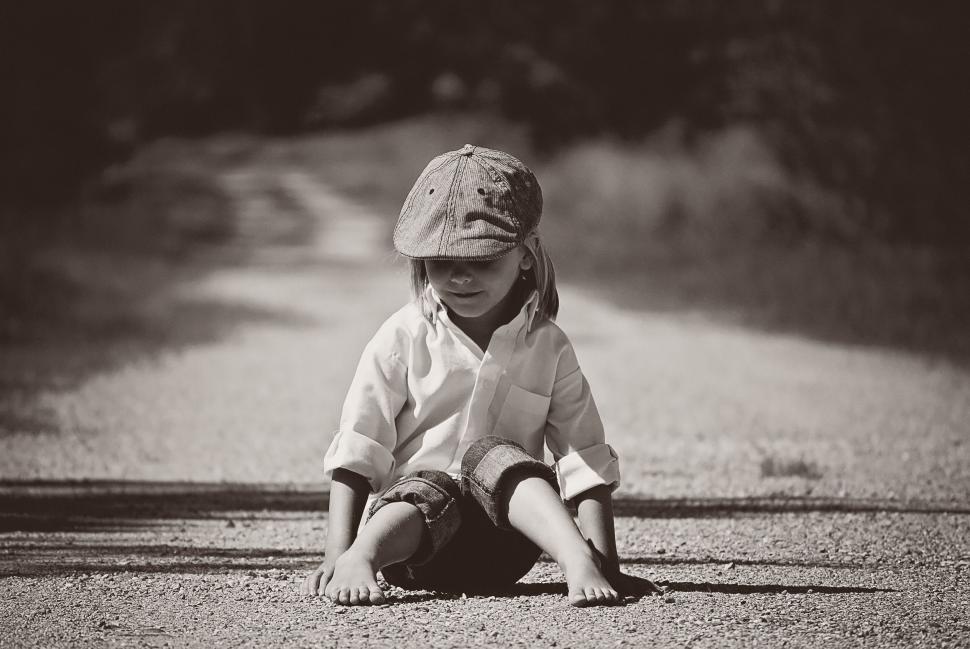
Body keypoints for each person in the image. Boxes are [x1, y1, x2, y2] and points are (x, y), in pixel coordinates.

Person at [301, 144, 655, 607]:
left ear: (525, 255)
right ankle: (361, 558)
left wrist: (608, 564)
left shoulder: (548, 345)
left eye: (482, 260)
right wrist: (338, 551)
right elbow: (358, 449)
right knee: (431, 485)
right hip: (412, 550)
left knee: (493, 457)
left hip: (507, 550)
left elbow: (583, 460)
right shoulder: (402, 336)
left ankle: (578, 561)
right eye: (441, 261)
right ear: (420, 261)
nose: (460, 277)